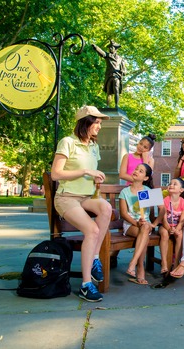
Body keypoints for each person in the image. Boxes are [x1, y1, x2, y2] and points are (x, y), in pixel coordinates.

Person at [51, 106, 112, 302]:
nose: (99, 127)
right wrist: (86, 171)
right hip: (66, 197)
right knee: (92, 231)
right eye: (97, 122)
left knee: (106, 207)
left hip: (86, 197)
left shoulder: (94, 147)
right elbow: (56, 174)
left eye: (100, 123)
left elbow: (91, 173)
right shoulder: (68, 142)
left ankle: (94, 258)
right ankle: (86, 284)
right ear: (86, 122)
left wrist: (96, 179)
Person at [119, 163, 160, 285]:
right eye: (136, 169)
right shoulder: (125, 192)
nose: (136, 171)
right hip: (130, 225)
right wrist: (136, 223)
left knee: (146, 228)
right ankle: (139, 266)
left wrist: (154, 223)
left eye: (141, 171)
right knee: (145, 231)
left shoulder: (147, 191)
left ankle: (133, 263)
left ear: (146, 178)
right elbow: (124, 214)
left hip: (145, 225)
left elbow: (161, 209)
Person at [159, 178, 184, 274]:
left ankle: (176, 262)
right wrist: (168, 228)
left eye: (175, 184)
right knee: (164, 234)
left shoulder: (183, 202)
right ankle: (164, 262)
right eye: (170, 183)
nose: (171, 185)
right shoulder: (165, 201)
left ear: (181, 190)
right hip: (165, 226)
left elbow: (182, 220)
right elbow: (163, 219)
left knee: (180, 235)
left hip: (177, 226)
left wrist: (177, 229)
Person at [92, 40, 126, 108]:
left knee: (116, 89)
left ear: (115, 49)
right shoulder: (108, 55)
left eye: (112, 47)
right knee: (109, 91)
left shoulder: (120, 59)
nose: (110, 48)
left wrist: (123, 72)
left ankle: (116, 105)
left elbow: (124, 69)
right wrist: (96, 47)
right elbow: (102, 53)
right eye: (109, 47)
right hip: (109, 76)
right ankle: (107, 105)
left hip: (117, 76)